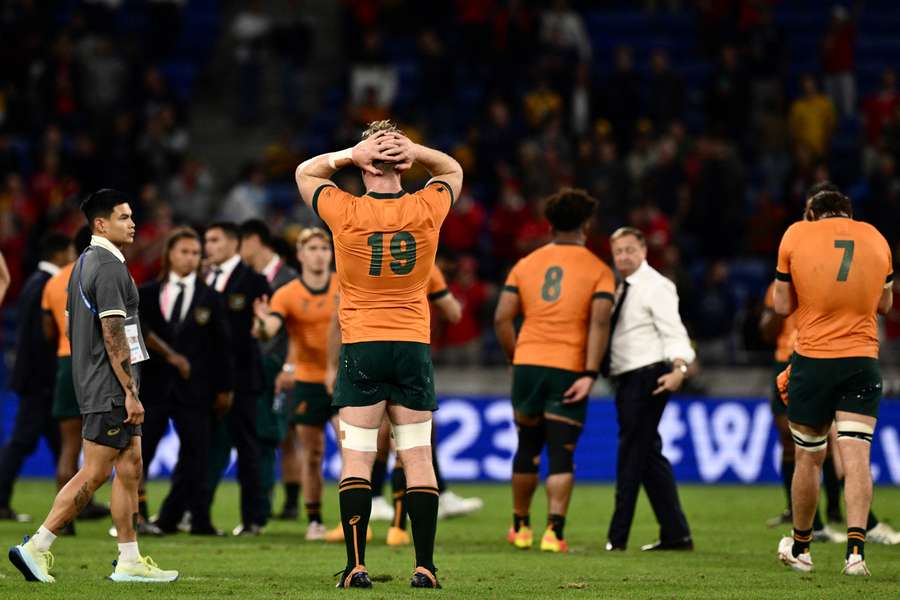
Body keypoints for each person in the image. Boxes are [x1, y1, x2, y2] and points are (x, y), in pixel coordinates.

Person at [294, 119, 462, 589]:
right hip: (411, 344)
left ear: (367, 168)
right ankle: (425, 566)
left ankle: (356, 566)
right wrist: (416, 149)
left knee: (359, 458)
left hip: (362, 345)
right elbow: (452, 171)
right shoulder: (428, 206)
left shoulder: (344, 210)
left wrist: (349, 154)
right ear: (403, 168)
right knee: (418, 458)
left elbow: (306, 174)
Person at [7, 189, 178, 583]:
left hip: (104, 381)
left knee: (130, 466)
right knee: (96, 471)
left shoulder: (86, 263)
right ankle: (37, 546)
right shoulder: (107, 267)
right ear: (101, 224)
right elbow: (114, 332)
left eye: (132, 216)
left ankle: (130, 559)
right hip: (110, 386)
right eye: (124, 217)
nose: (133, 223)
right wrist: (129, 392)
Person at [774, 187, 894, 576]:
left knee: (809, 456)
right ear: (848, 212)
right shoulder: (876, 237)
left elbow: (780, 306)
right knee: (857, 457)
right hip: (862, 358)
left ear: (812, 213)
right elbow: (886, 305)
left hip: (814, 359)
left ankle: (803, 550)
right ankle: (856, 555)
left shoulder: (796, 233)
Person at [493, 188, 614, 553]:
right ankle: (553, 532)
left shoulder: (525, 264)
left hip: (528, 363)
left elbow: (501, 317)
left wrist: (517, 357)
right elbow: (598, 324)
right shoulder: (598, 270)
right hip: (568, 366)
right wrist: (590, 373)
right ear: (587, 224)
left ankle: (520, 527)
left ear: (549, 224)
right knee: (561, 452)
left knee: (527, 445)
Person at [137, 227, 233, 536]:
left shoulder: (212, 298)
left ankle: (195, 519)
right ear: (169, 254)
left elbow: (222, 348)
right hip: (153, 388)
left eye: (195, 253)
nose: (190, 258)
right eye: (184, 252)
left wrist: (224, 388)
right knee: (141, 453)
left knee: (197, 456)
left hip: (196, 389)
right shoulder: (147, 293)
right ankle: (135, 516)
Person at [603, 226, 694, 552]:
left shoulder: (657, 286)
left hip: (649, 376)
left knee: (631, 454)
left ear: (643, 251)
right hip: (628, 378)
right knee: (647, 455)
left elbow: (674, 331)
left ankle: (618, 537)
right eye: (619, 252)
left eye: (630, 250)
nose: (624, 256)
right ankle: (677, 535)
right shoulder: (621, 287)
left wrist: (679, 368)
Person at [252, 227, 339, 541]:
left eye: (324, 248)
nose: (319, 254)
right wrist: (261, 324)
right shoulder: (287, 294)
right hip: (306, 381)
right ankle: (314, 520)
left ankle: (352, 520)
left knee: (350, 448)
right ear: (301, 255)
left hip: (341, 380)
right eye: (313, 248)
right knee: (313, 453)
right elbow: (270, 329)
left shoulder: (343, 287)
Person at [40, 227, 110, 535]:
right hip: (95, 362)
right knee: (99, 444)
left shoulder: (53, 281)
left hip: (65, 362)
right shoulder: (100, 274)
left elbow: (48, 330)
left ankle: (63, 523)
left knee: (69, 445)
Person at [203, 221, 270, 536]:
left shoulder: (254, 282)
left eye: (215, 240)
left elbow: (255, 333)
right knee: (199, 449)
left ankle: (252, 519)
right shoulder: (201, 279)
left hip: (242, 378)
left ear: (234, 243)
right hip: (204, 379)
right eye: (207, 240)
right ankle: (196, 514)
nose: (209, 247)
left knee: (246, 449)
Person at [0, 233, 71, 522]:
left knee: (63, 445)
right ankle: (0, 500)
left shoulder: (34, 282)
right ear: (60, 253)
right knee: (22, 442)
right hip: (42, 382)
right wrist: (48, 378)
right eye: (70, 252)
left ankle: (78, 502)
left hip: (38, 381)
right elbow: (40, 340)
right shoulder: (45, 284)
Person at [239, 219, 300, 526]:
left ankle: (291, 502)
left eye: (241, 241)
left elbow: (296, 328)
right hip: (252, 367)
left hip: (282, 367)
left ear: (254, 240)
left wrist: (290, 365)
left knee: (288, 434)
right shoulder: (248, 277)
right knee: (270, 433)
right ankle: (275, 502)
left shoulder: (290, 279)